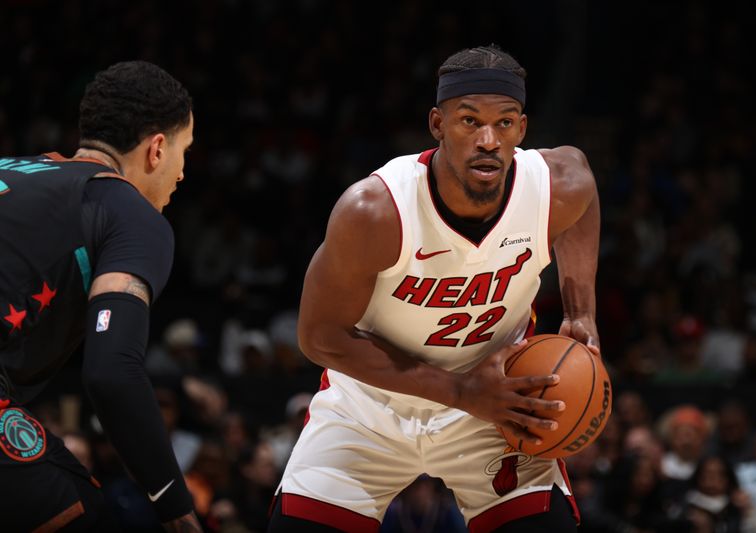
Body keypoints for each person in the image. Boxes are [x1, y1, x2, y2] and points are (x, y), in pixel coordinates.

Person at [268, 44, 601, 532]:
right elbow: (319, 337)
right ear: (438, 125)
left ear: (522, 130)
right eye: (469, 121)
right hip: (371, 406)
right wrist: (460, 390)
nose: (488, 139)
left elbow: (584, 200)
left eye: (504, 123)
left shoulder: (559, 183)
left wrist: (582, 311)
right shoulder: (376, 211)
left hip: (496, 406)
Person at [0, 61, 200, 532]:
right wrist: (175, 506)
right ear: (156, 150)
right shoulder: (131, 214)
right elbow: (112, 372)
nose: (183, 173)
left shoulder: (11, 167)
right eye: (184, 151)